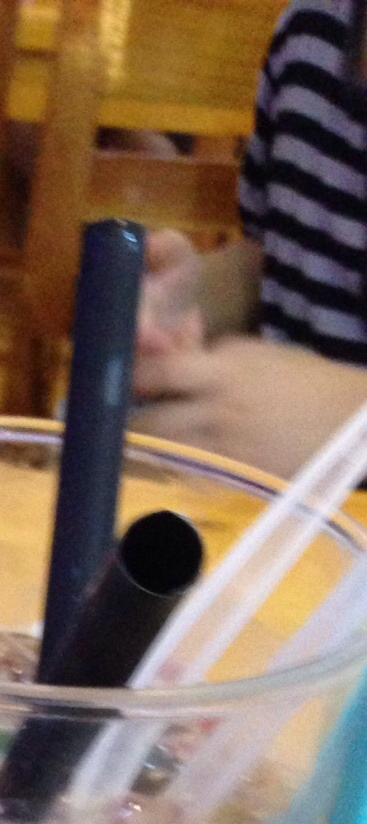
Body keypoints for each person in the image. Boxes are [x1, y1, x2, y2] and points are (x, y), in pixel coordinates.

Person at [134, 0, 367, 475]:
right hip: (270, 503)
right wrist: (188, 298)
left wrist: (349, 425)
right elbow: (273, 261)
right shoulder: (311, 30)